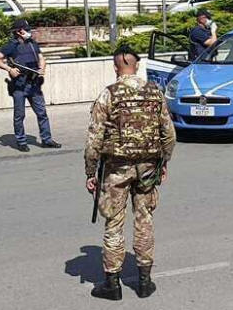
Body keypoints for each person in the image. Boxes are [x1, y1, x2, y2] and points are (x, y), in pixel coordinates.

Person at [85, 45, 176, 301]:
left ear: (116, 68)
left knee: (114, 222)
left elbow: (94, 139)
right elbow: (168, 134)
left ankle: (112, 284)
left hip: (116, 168)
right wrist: (163, 162)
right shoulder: (155, 92)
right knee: (144, 218)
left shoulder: (109, 94)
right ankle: (145, 281)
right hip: (148, 167)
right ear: (137, 65)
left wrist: (90, 172)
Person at [0, 19, 60, 152]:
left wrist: (42, 69)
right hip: (19, 85)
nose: (29, 32)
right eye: (26, 29)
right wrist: (9, 69)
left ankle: (47, 140)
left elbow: (41, 58)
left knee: (42, 113)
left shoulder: (33, 43)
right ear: (18, 31)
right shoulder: (11, 45)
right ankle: (21, 141)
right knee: (19, 115)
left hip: (34, 84)